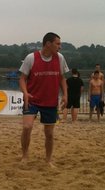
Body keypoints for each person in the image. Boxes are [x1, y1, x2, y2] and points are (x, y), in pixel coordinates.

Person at [19, 32, 69, 167]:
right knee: (27, 127)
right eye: (58, 43)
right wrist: (25, 93)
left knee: (49, 133)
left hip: (50, 101)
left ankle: (48, 160)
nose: (60, 46)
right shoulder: (31, 58)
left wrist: (65, 95)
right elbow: (22, 79)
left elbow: (62, 78)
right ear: (48, 44)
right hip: (32, 99)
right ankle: (24, 156)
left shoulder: (60, 58)